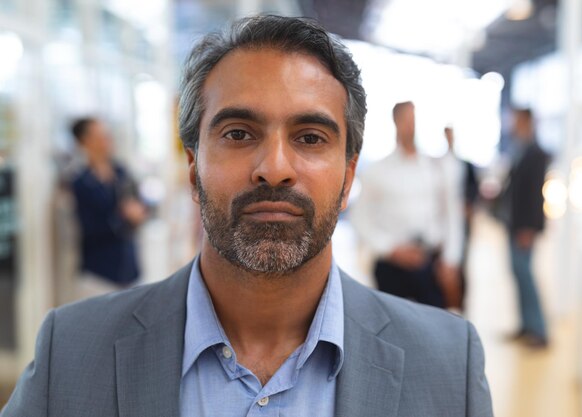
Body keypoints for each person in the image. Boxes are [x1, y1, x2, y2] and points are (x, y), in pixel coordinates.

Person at [1, 16, 492, 417]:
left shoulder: (448, 363)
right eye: (238, 133)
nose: (274, 169)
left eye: (310, 137)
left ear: (348, 176)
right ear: (193, 167)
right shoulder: (72, 352)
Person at [351, 102, 464, 309]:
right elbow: (360, 218)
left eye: (414, 120)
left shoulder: (437, 168)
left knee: (436, 327)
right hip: (392, 266)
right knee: (392, 330)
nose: (410, 126)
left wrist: (450, 259)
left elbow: (451, 216)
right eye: (405, 120)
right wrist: (390, 249)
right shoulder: (378, 171)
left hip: (430, 262)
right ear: (395, 122)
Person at [69, 117, 146, 297]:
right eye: (100, 136)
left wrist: (138, 214)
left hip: (129, 269)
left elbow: (139, 205)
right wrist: (123, 217)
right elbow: (89, 228)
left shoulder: (121, 172)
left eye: (107, 135)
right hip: (98, 273)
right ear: (85, 141)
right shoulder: (80, 183)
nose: (107, 140)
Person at [503, 108, 549, 348]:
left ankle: (540, 330)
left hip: (524, 228)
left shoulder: (536, 153)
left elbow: (534, 194)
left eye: (518, 120)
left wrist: (528, 228)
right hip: (514, 224)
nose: (514, 124)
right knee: (518, 276)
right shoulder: (519, 150)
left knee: (526, 276)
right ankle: (526, 326)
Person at [442, 126, 480, 310]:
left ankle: (461, 300)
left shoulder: (464, 164)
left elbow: (474, 189)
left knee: (462, 260)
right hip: (446, 220)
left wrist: (468, 206)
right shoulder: (440, 163)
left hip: (462, 219)